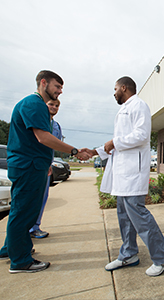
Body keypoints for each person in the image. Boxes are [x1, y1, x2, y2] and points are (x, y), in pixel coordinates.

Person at [0, 70, 91, 273]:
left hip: (30, 165)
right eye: (57, 87)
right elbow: (43, 137)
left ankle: (11, 248)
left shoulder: (33, 104)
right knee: (24, 212)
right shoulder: (35, 104)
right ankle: (21, 261)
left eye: (61, 88)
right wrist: (75, 151)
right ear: (43, 82)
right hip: (28, 166)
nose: (60, 91)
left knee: (22, 211)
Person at [86, 76, 164, 276]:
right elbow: (117, 143)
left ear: (124, 87)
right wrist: (95, 151)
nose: (114, 92)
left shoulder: (139, 105)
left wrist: (114, 142)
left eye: (115, 88)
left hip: (132, 172)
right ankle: (129, 254)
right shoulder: (125, 108)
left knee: (137, 213)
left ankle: (163, 255)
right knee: (124, 215)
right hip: (123, 173)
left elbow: (141, 135)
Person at [29, 99, 63, 238]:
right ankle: (26, 229)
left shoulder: (56, 126)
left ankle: (35, 227)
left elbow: (56, 146)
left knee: (42, 197)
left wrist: (50, 163)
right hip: (34, 166)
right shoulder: (36, 121)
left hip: (47, 167)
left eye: (56, 106)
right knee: (30, 198)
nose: (54, 107)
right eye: (51, 105)